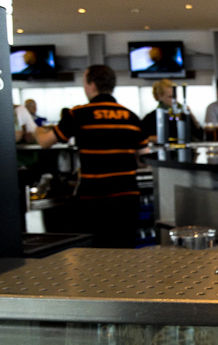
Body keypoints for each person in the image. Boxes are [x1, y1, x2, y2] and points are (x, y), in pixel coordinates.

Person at [36, 65, 149, 248]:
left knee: (95, 257)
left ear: (92, 85)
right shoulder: (132, 117)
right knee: (126, 255)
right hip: (127, 198)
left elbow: (45, 142)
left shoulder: (79, 114)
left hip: (95, 199)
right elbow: (144, 159)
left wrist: (36, 131)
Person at [140, 79, 202, 143]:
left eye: (175, 96)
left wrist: (191, 114)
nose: (174, 100)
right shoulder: (151, 118)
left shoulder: (182, 114)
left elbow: (199, 135)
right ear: (159, 97)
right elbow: (141, 137)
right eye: (170, 97)